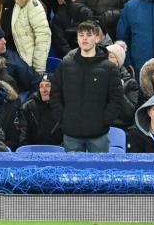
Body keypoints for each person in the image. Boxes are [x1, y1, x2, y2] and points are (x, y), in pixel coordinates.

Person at [51, 21, 125, 152]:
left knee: (99, 171)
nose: (84, 38)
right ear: (77, 38)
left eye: (89, 35)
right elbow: (55, 94)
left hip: (99, 134)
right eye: (81, 35)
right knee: (72, 172)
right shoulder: (65, 65)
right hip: (71, 133)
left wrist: (106, 120)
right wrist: (63, 118)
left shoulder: (110, 68)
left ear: (97, 38)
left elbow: (116, 98)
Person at [19, 74, 62, 146]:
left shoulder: (65, 106)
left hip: (59, 150)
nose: (44, 90)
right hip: (33, 150)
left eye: (48, 86)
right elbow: (23, 137)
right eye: (41, 86)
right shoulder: (28, 106)